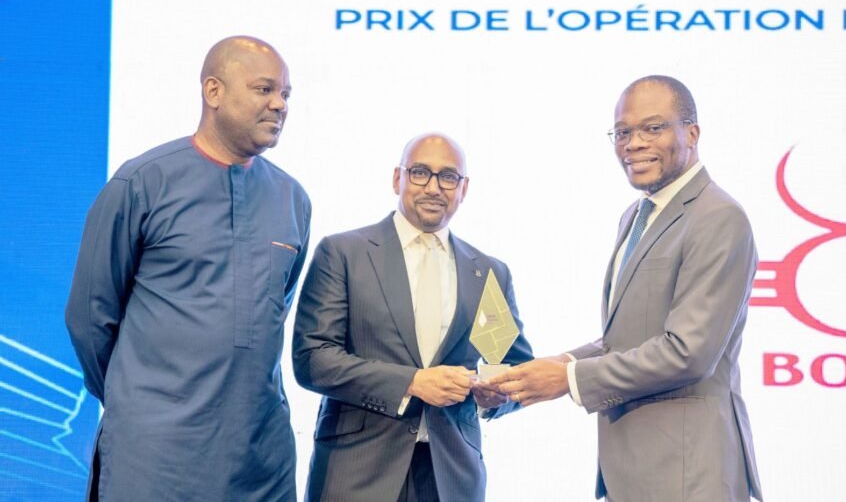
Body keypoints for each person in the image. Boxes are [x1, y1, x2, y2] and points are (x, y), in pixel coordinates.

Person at [492, 75, 763, 502]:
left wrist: (567, 378)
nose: (633, 144)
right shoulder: (636, 216)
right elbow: (630, 337)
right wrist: (553, 366)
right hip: (636, 473)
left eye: (652, 128)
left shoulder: (718, 217)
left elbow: (687, 353)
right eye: (622, 133)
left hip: (688, 474)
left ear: (692, 133)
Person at [65, 36, 311, 502]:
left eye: (286, 94)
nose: (279, 104)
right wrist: (140, 397)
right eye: (264, 89)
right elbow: (90, 318)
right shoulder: (142, 183)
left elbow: (271, 314)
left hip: (260, 461)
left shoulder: (292, 198)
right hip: (154, 458)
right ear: (213, 91)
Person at [292, 133, 534, 502]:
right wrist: (412, 382)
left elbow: (513, 367)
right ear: (397, 178)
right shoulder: (344, 253)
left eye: (448, 177)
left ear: (464, 188)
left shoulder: (487, 273)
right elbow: (313, 360)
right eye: (420, 172)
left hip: (451, 479)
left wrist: (494, 395)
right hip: (357, 473)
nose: (433, 187)